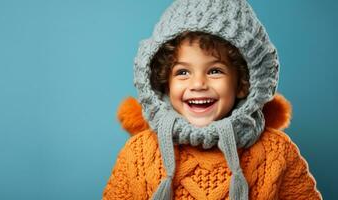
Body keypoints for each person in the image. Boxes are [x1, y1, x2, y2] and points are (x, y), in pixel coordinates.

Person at [102, 0, 322, 199]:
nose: (198, 84)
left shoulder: (276, 153)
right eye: (182, 72)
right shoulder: (138, 154)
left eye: (215, 70)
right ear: (164, 81)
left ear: (243, 82)